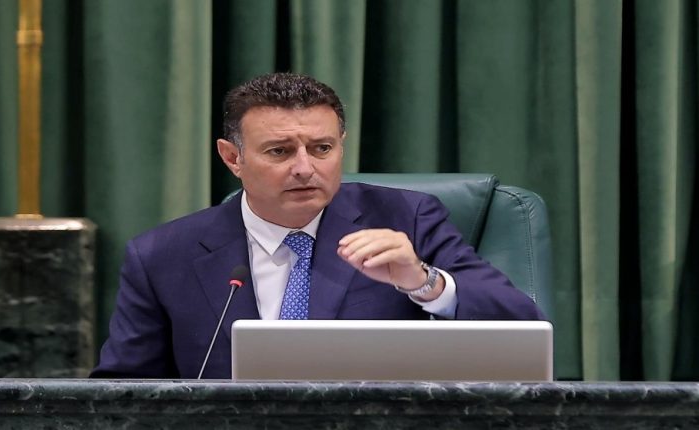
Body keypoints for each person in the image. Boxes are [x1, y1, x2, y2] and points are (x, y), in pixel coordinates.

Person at [91, 72, 545, 379]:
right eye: (280, 151)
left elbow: (523, 325)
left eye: (322, 149)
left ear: (341, 146)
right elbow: (123, 392)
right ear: (233, 158)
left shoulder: (408, 218)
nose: (305, 168)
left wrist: (423, 282)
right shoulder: (162, 256)